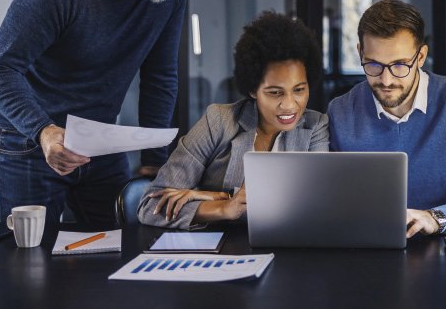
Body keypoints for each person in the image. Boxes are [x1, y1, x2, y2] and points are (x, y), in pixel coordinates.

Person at [0, 0, 186, 229]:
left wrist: (154, 160)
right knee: (30, 264)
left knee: (121, 249)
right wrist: (43, 131)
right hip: (32, 143)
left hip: (101, 142)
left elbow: (160, 75)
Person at [327, 0, 446, 238]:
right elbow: (329, 201)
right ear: (360, 53)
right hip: (366, 249)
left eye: (400, 65)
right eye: (374, 64)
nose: (386, 80)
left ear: (421, 56)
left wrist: (434, 218)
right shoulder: (340, 111)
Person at [138, 12, 328, 229]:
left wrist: (209, 197)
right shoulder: (218, 122)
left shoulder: (315, 127)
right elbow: (149, 206)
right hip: (221, 253)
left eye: (299, 90)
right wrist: (223, 209)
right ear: (252, 90)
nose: (290, 105)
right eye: (275, 92)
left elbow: (311, 206)